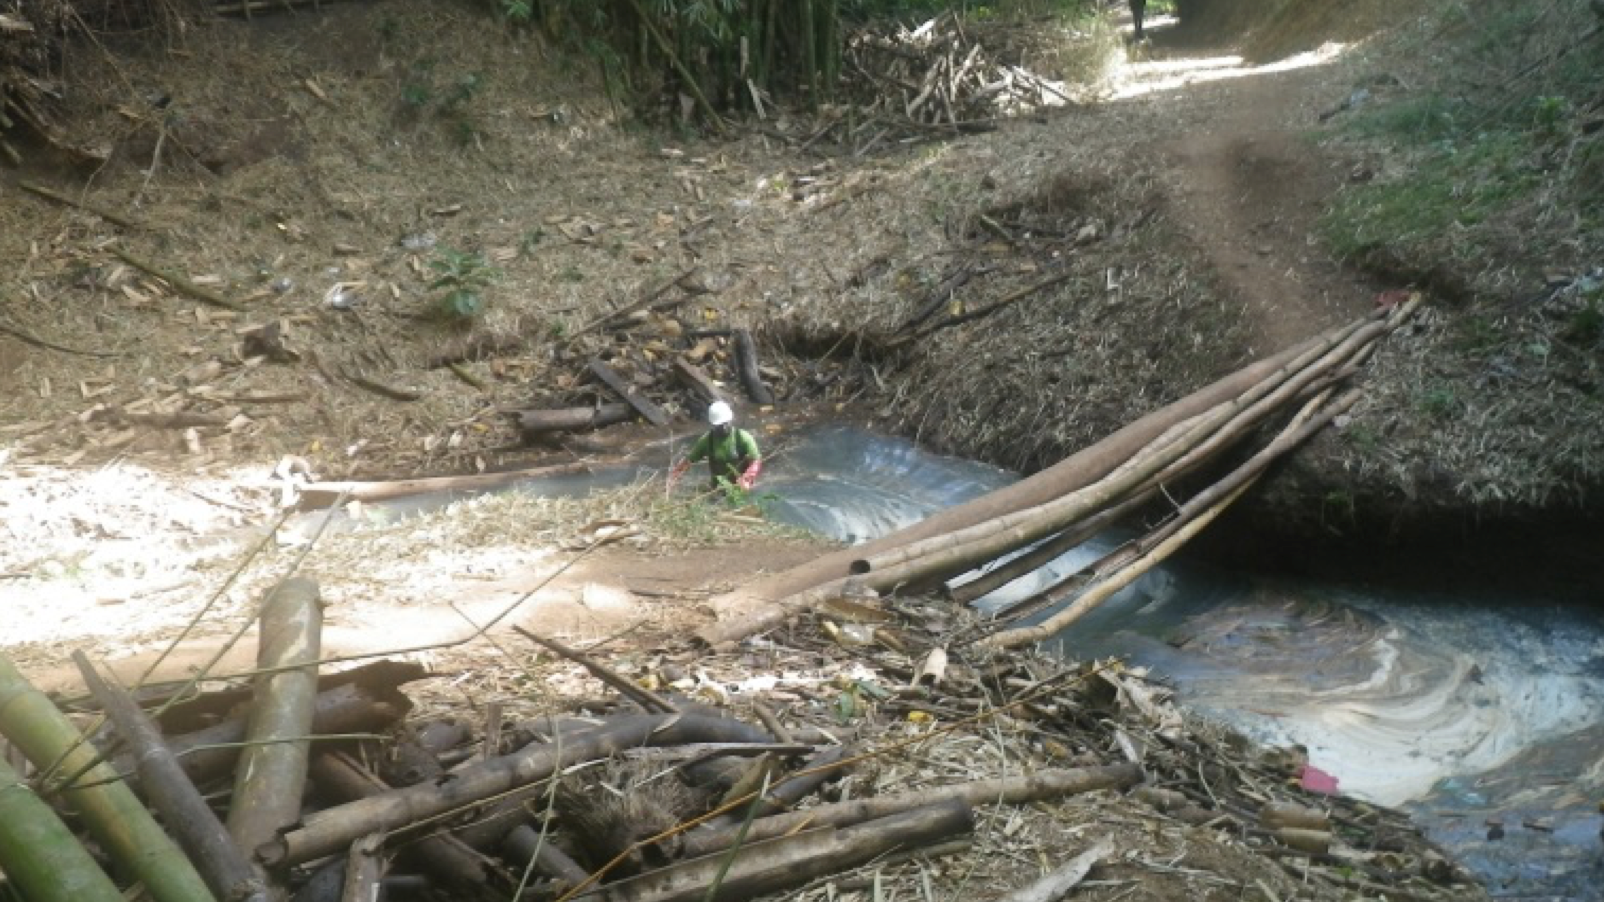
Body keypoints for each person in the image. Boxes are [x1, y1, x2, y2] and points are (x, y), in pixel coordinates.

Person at [670, 401, 762, 494]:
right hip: (717, 489)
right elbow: (688, 461)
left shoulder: (742, 437)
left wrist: (747, 478)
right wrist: (673, 479)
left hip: (741, 488)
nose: (724, 427)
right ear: (713, 425)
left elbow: (755, 460)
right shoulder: (707, 441)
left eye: (725, 423)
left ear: (730, 420)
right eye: (720, 425)